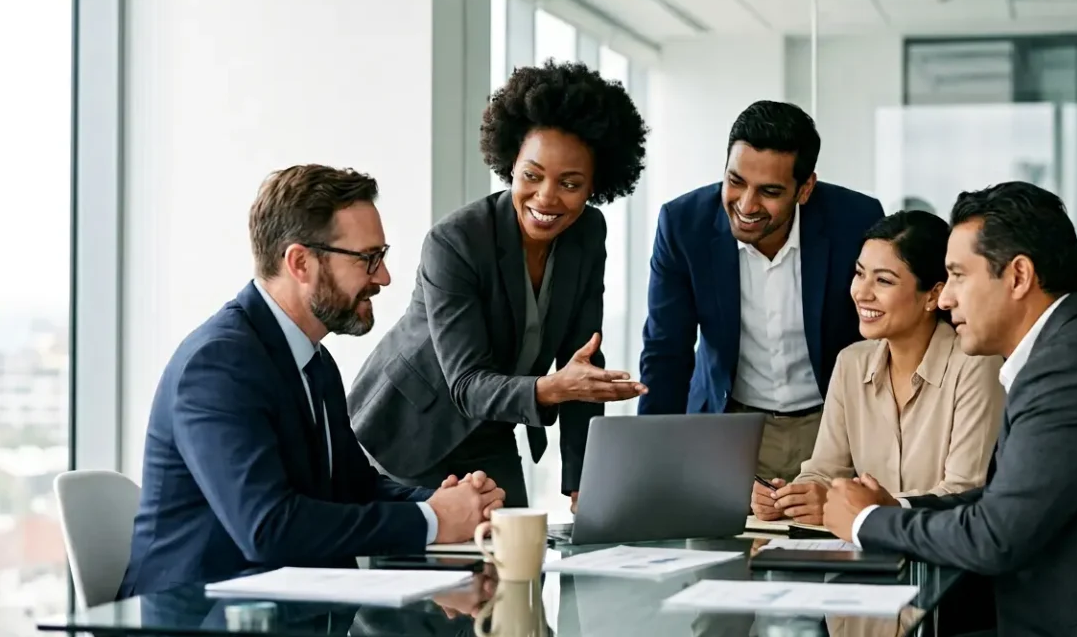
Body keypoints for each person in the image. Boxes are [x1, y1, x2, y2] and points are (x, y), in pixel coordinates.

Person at [823, 182, 1077, 636]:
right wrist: (898, 507)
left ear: (1019, 277)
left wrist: (868, 522)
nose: (945, 299)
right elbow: (1006, 501)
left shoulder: (1068, 368)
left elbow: (995, 537)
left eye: (959, 276)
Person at [119, 165, 505, 599]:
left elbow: (354, 489)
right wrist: (433, 520)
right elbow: (268, 528)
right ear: (301, 263)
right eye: (368, 258)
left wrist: (446, 503)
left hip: (282, 608)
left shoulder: (314, 361)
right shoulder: (218, 365)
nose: (383, 277)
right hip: (192, 616)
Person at [349, 61, 649, 510]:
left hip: (493, 426)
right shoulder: (456, 241)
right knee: (432, 553)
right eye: (532, 175)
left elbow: (581, 363)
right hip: (408, 433)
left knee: (513, 549)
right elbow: (467, 383)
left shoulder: (587, 234)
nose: (546, 197)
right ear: (511, 164)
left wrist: (583, 480)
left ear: (595, 185)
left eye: (570, 183)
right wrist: (556, 387)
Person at [638, 100, 885, 482]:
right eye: (736, 181)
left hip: (835, 423)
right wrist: (650, 466)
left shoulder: (855, 220)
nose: (746, 204)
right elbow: (666, 351)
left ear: (805, 189)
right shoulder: (683, 224)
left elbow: (884, 335)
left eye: (769, 191)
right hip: (730, 423)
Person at [751, 211, 1004, 525]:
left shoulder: (976, 365)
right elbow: (824, 470)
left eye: (883, 280)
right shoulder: (851, 363)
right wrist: (791, 498)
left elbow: (965, 492)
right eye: (860, 274)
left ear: (934, 295)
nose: (862, 292)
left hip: (942, 549)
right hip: (864, 546)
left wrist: (872, 510)